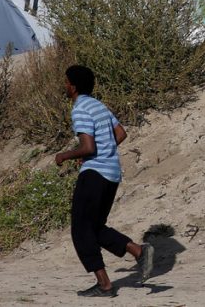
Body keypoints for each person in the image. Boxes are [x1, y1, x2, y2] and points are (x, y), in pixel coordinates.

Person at [55, 64, 153, 298]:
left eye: (66, 81)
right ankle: (138, 251)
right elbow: (121, 133)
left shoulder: (79, 109)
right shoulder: (98, 105)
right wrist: (106, 151)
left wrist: (64, 156)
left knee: (80, 230)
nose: (65, 85)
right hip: (111, 174)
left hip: (94, 174)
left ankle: (105, 284)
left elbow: (88, 146)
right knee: (94, 227)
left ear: (74, 86)